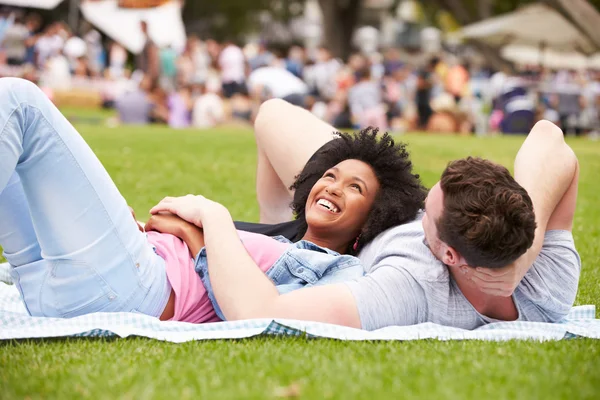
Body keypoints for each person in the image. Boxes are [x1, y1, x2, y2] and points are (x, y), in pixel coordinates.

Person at [0, 77, 425, 323]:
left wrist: (194, 229)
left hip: (131, 289)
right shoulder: (283, 243)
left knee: (19, 100)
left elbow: (256, 309)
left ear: (372, 219)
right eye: (330, 175)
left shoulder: (339, 273)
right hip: (51, 285)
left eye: (355, 188)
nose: (333, 186)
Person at [160, 98, 580, 330]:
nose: (421, 215)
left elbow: (259, 313)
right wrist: (522, 258)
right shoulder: (546, 282)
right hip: (377, 192)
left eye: (426, 217)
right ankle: (281, 228)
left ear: (449, 256)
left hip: (358, 218)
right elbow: (550, 139)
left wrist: (212, 217)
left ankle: (280, 246)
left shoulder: (407, 289)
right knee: (272, 114)